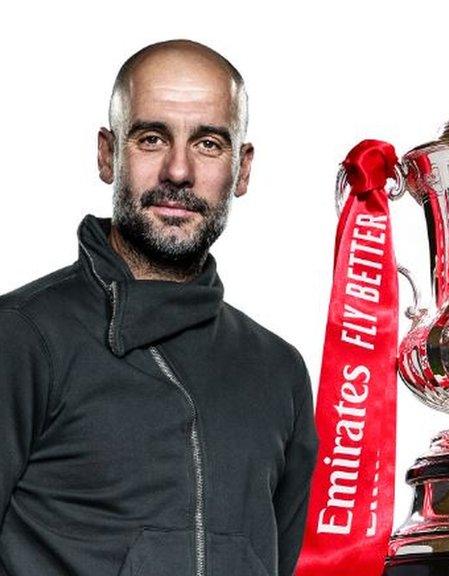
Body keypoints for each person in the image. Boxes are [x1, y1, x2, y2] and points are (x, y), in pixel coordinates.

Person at [0, 40, 317, 575]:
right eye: (151, 138)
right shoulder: (22, 338)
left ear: (241, 169)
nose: (177, 171)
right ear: (107, 154)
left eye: (209, 144)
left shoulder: (278, 370)